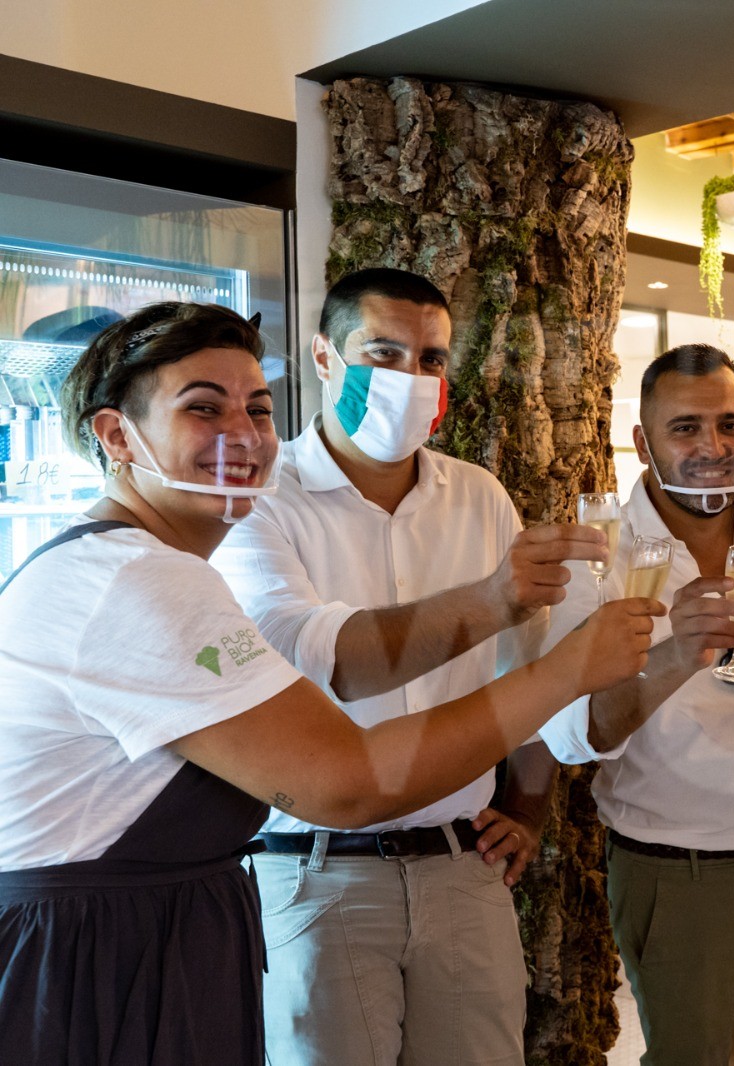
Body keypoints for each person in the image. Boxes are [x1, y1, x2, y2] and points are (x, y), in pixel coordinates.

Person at [0, 302, 657, 1065]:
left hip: (159, 934)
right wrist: (569, 669)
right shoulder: (137, 580)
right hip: (95, 961)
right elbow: (349, 781)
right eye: (204, 409)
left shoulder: (146, 566)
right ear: (117, 436)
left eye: (258, 409)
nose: (245, 436)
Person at [210, 269, 584, 1065]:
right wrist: (491, 597)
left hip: (462, 865)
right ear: (323, 357)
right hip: (314, 872)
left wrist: (528, 807)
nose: (410, 380)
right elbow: (320, 656)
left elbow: (526, 672)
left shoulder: (480, 497)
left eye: (431, 360)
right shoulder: (261, 498)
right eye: (382, 354)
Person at [539, 343, 734, 1065]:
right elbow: (575, 735)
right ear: (642, 441)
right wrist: (679, 651)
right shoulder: (600, 555)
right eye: (685, 428)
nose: (713, 447)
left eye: (730, 425)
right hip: (678, 875)